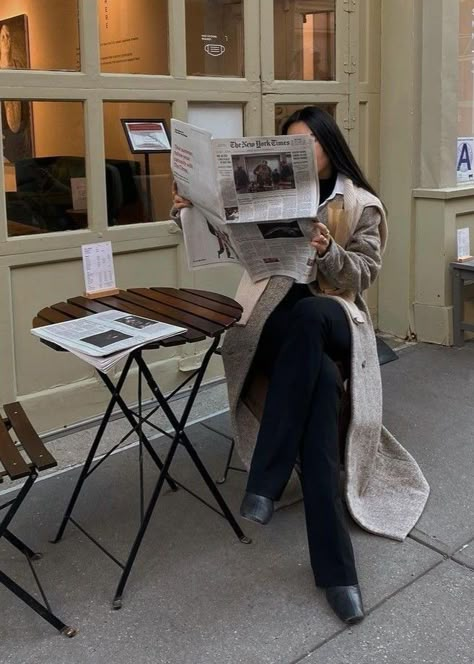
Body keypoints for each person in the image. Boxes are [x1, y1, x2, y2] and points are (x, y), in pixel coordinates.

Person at [171, 107, 429, 625]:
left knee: (314, 313)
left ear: (330, 145)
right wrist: (192, 211)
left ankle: (264, 480)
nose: (301, 150)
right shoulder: (264, 192)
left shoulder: (360, 205)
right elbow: (228, 250)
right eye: (291, 142)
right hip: (273, 327)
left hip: (333, 321)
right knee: (320, 390)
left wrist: (329, 251)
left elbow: (363, 276)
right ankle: (337, 575)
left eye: (308, 141)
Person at [0, 23, 31, 161]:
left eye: (8, 36)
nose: (6, 40)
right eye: (2, 37)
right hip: (5, 135)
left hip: (21, 131)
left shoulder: (20, 66)